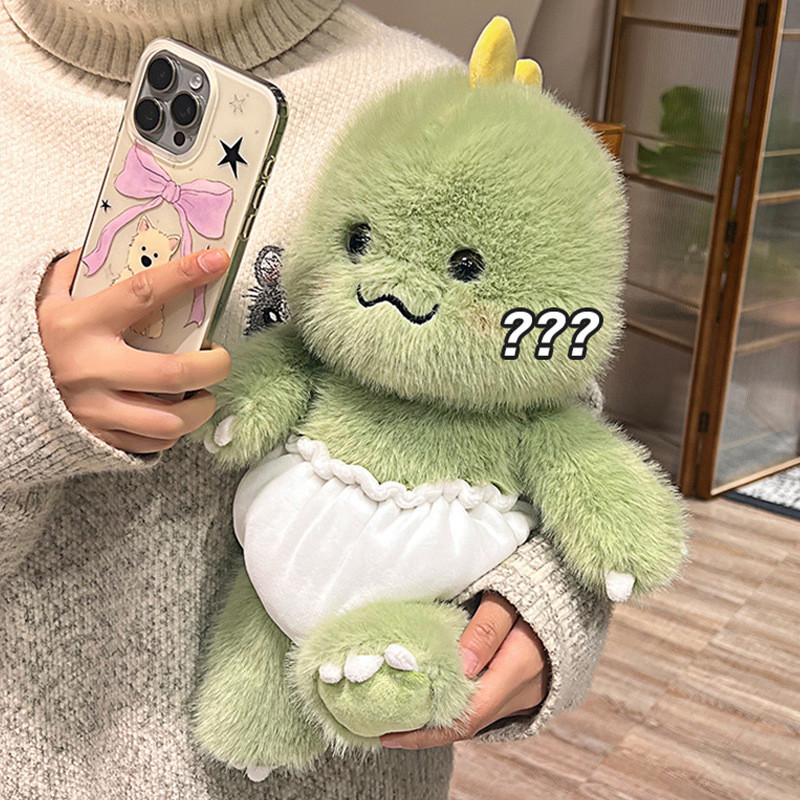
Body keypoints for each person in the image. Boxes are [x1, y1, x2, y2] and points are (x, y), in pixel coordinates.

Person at [0, 1, 611, 797]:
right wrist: (23, 395)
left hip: (333, 764)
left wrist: (542, 607)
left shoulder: (432, 100)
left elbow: (555, 419)